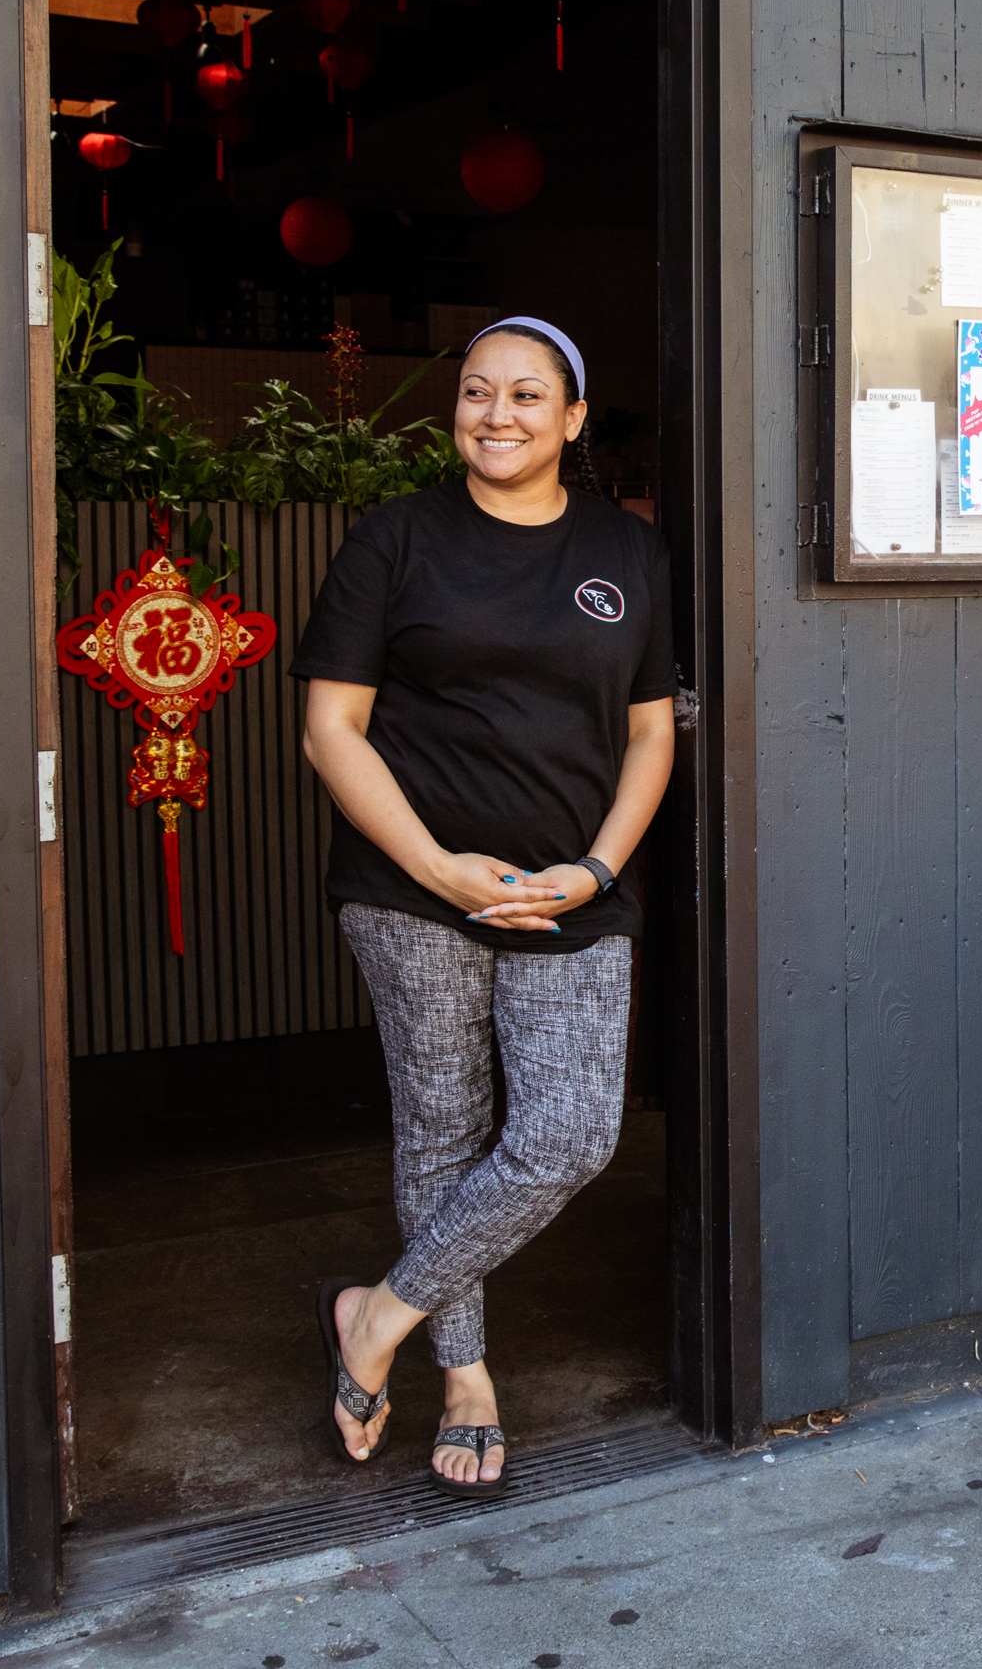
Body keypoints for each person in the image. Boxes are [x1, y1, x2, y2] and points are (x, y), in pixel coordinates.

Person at [290, 316, 674, 1497]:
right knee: (443, 1134)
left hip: (570, 893)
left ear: (571, 420)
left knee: (567, 1134)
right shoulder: (395, 540)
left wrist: (599, 870)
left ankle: (376, 1317)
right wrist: (434, 864)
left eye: (524, 396)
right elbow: (330, 729)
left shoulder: (630, 552)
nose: (495, 414)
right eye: (474, 392)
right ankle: (466, 1378)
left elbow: (650, 732)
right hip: (412, 893)